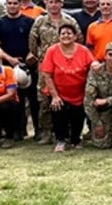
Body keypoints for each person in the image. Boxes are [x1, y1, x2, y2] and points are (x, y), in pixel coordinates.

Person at [29, 0, 80, 145]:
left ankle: (67, 132)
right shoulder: (40, 22)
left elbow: (79, 40)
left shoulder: (69, 21)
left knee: (67, 98)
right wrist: (41, 57)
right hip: (46, 66)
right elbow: (32, 43)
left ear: (61, 4)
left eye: (56, 2)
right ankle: (46, 132)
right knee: (44, 99)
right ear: (46, 3)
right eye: (50, 2)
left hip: (66, 66)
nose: (53, 5)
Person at [41, 22, 96, 152]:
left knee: (78, 116)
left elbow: (93, 65)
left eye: (69, 33)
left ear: (75, 36)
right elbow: (47, 75)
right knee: (58, 111)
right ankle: (61, 140)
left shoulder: (83, 50)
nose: (66, 36)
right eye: (63, 33)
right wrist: (55, 96)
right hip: (58, 92)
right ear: (59, 36)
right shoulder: (52, 51)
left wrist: (96, 65)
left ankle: (76, 140)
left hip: (79, 93)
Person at [0, 0, 37, 137]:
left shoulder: (29, 22)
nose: (12, 6)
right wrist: (9, 59)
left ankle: (39, 131)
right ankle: (18, 131)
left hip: (28, 66)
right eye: (9, 3)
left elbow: (37, 42)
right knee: (15, 100)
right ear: (6, 5)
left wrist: (31, 56)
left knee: (34, 99)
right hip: (8, 68)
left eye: (15, 3)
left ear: (20, 5)